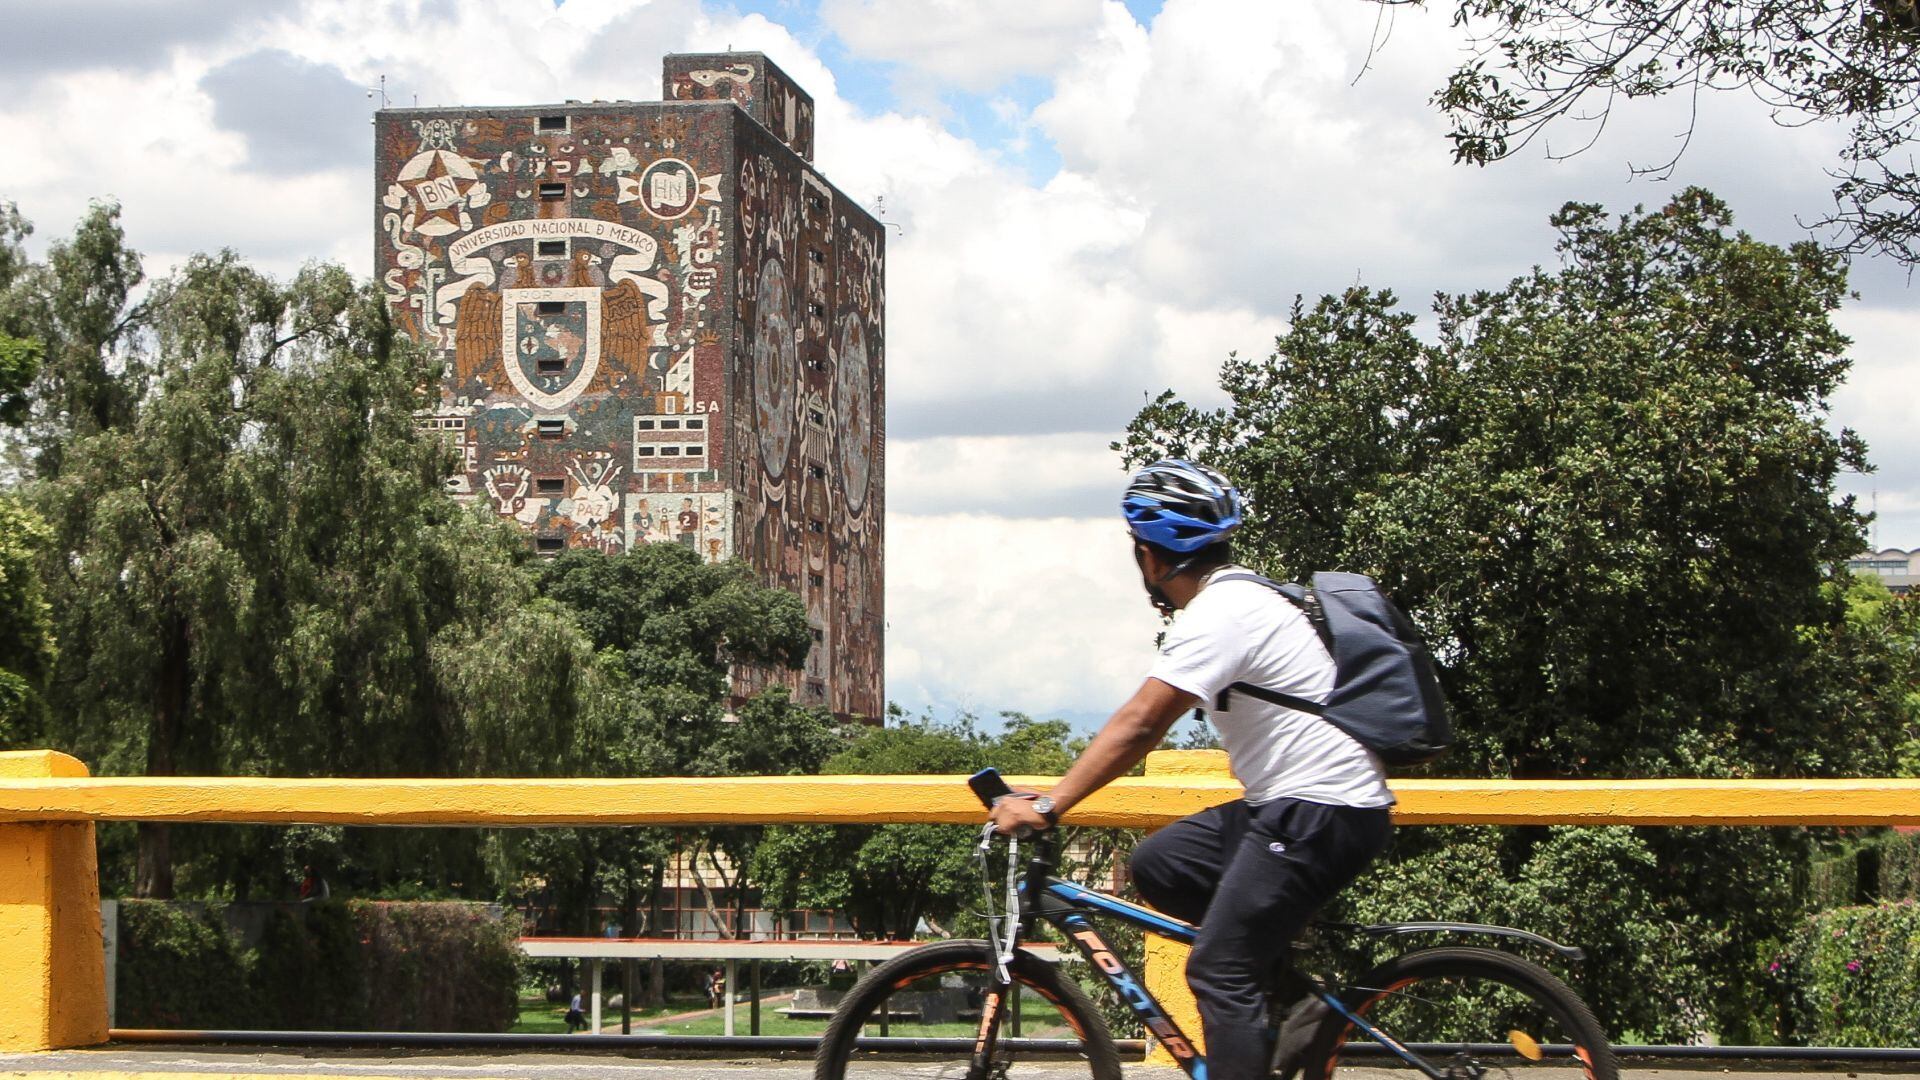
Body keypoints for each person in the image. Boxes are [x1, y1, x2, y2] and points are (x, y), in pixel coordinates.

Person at [989, 459, 1395, 1080]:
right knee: (1160, 864)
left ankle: (1258, 1011)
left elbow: (1142, 725)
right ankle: (1294, 1005)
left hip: (1317, 811)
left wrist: (1049, 805)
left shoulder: (1219, 615)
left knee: (1217, 970)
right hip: (1301, 807)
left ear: (1149, 556)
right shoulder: (1245, 598)